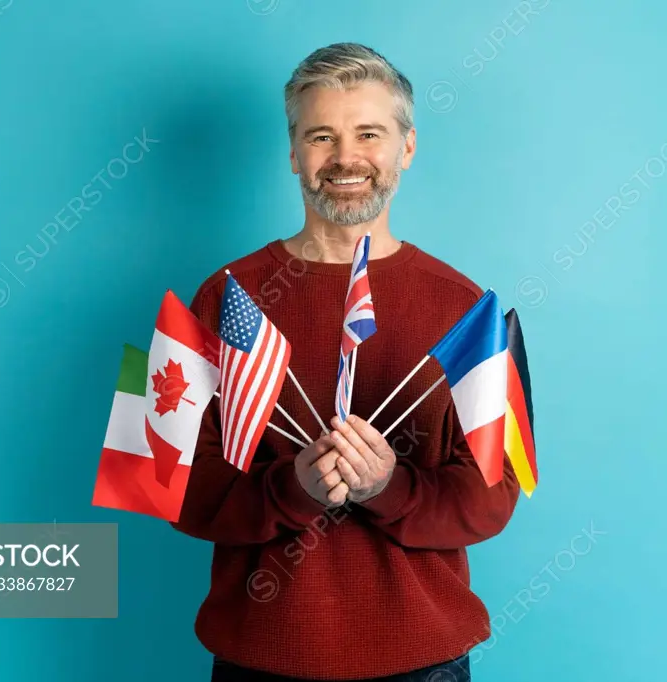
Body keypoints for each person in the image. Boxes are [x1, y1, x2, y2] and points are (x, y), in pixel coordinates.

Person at [170, 42, 520, 682]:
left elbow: (492, 498)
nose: (346, 157)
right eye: (321, 135)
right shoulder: (222, 296)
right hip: (261, 658)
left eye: (369, 133)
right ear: (294, 154)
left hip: (422, 662)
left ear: (406, 147)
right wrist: (293, 488)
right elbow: (175, 484)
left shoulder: (469, 310)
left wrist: (388, 487)